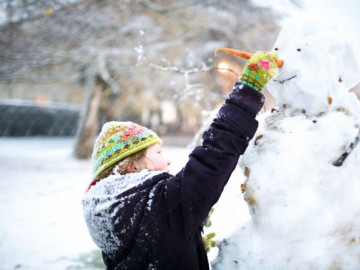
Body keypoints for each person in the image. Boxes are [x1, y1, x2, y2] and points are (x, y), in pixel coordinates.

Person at [82, 51, 278, 270]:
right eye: (157, 153)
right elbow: (215, 155)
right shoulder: (164, 204)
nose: (166, 162)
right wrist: (249, 88)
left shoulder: (107, 215)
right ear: (131, 165)